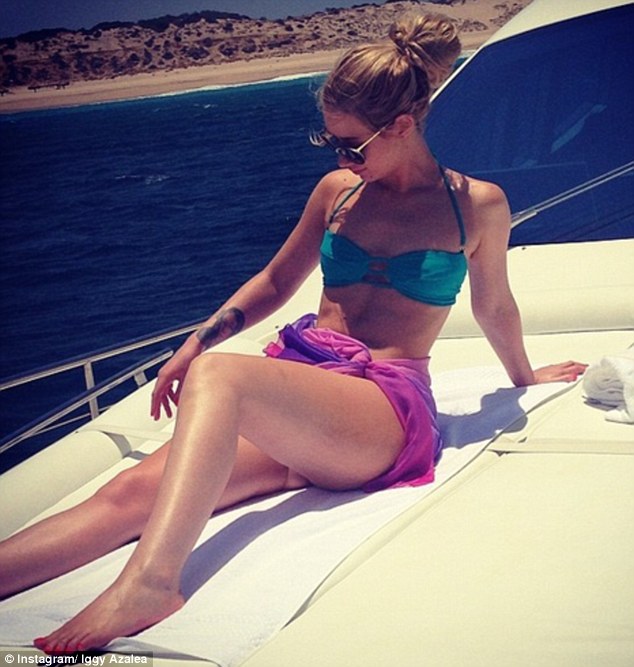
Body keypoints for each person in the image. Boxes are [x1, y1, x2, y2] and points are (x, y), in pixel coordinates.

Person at [0, 12, 585, 653]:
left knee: (222, 376)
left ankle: (151, 584)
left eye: (353, 145)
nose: (341, 158)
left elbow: (494, 305)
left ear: (402, 125)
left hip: (382, 408)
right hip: (305, 391)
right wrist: (192, 344)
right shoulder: (338, 192)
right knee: (129, 494)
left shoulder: (475, 205)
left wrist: (524, 378)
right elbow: (277, 281)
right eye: (330, 142)